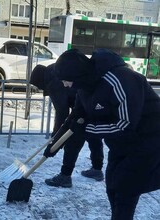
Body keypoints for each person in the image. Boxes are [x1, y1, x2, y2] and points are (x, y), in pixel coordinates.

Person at [50, 48, 160, 219]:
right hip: (120, 144)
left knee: (125, 188)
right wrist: (55, 144)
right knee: (113, 186)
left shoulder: (120, 80)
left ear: (77, 74)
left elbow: (125, 125)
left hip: (149, 139)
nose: (65, 85)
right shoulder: (84, 86)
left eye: (66, 80)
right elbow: (76, 117)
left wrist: (87, 128)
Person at [30, 64, 104, 188]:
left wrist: (56, 138)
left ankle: (65, 176)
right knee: (93, 136)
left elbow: (62, 112)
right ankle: (97, 169)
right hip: (92, 105)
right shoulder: (57, 70)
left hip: (83, 108)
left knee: (73, 141)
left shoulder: (53, 82)